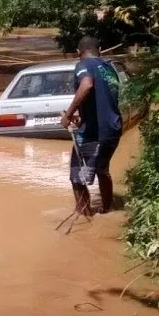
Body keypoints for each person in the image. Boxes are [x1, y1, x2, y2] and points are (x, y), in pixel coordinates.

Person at [61, 36, 123, 216]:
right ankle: (107, 209)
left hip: (93, 133)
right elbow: (104, 100)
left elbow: (87, 85)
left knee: (77, 177)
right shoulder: (110, 68)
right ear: (101, 49)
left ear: (78, 52)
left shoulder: (83, 65)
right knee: (103, 170)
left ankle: (84, 215)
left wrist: (68, 114)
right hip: (113, 129)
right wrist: (82, 117)